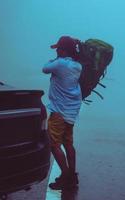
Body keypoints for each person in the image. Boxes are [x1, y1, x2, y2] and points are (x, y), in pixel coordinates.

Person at [42, 36, 82, 190]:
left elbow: (45, 68)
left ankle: (66, 176)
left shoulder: (59, 64)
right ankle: (72, 175)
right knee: (68, 143)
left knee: (54, 144)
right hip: (71, 112)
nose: (57, 51)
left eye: (59, 48)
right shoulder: (77, 65)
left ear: (64, 50)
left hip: (59, 111)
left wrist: (56, 59)